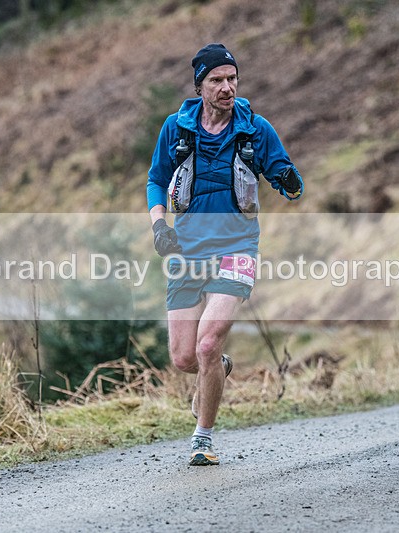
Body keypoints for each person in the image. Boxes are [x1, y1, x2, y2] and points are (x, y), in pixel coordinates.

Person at [147, 43, 303, 466]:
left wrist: (288, 180)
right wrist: (159, 225)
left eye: (232, 79)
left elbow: (289, 181)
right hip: (188, 249)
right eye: (217, 80)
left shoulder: (256, 130)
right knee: (185, 357)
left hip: (238, 248)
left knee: (208, 341)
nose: (227, 87)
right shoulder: (176, 130)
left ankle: (202, 439)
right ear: (199, 85)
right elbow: (157, 180)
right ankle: (217, 365)